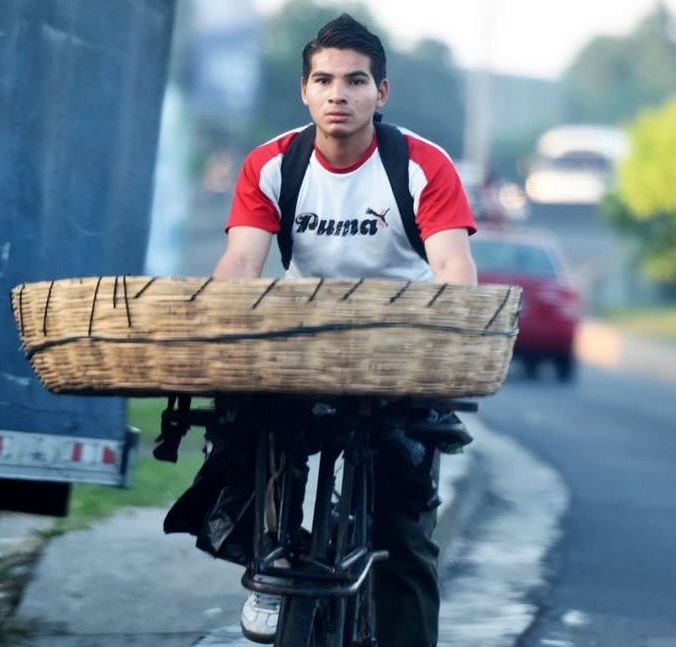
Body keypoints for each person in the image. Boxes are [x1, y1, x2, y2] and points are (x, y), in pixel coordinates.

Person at [211, 13, 477, 646]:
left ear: (381, 93)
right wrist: (217, 323)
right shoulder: (272, 164)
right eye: (324, 80)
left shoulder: (421, 165)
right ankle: (272, 565)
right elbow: (241, 264)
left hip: (401, 353)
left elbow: (453, 270)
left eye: (356, 81)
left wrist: (438, 335)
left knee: (406, 536)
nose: (339, 94)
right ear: (304, 89)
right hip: (304, 350)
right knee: (251, 443)